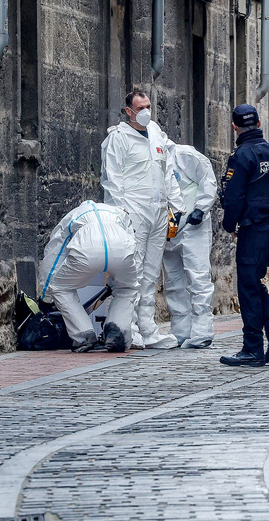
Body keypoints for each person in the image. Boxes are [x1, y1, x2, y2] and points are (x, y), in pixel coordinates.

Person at [101, 90, 184, 349]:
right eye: (141, 107)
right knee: (132, 271)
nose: (146, 111)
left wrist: (176, 205)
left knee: (150, 272)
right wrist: (120, 215)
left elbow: (167, 171)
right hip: (134, 209)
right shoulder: (118, 138)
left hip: (158, 210)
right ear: (129, 111)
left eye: (148, 106)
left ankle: (148, 328)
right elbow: (112, 179)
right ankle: (129, 328)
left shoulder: (156, 134)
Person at [218, 104, 269, 367]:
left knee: (248, 286)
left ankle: (252, 348)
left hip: (255, 228)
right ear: (259, 123)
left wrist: (229, 225)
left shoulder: (242, 156)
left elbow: (234, 198)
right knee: (254, 282)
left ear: (235, 127)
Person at [39, 201, 137, 353]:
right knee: (127, 288)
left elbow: (54, 255)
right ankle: (116, 329)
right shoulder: (119, 214)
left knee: (59, 288)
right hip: (122, 249)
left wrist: (46, 296)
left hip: (86, 250)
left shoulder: (72, 216)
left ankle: (83, 334)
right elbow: (133, 245)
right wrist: (120, 279)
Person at [162, 139, 218, 349]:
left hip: (193, 225)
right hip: (167, 228)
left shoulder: (184, 155)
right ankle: (181, 330)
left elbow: (207, 179)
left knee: (198, 276)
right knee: (173, 281)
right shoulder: (150, 162)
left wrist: (201, 208)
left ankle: (202, 330)